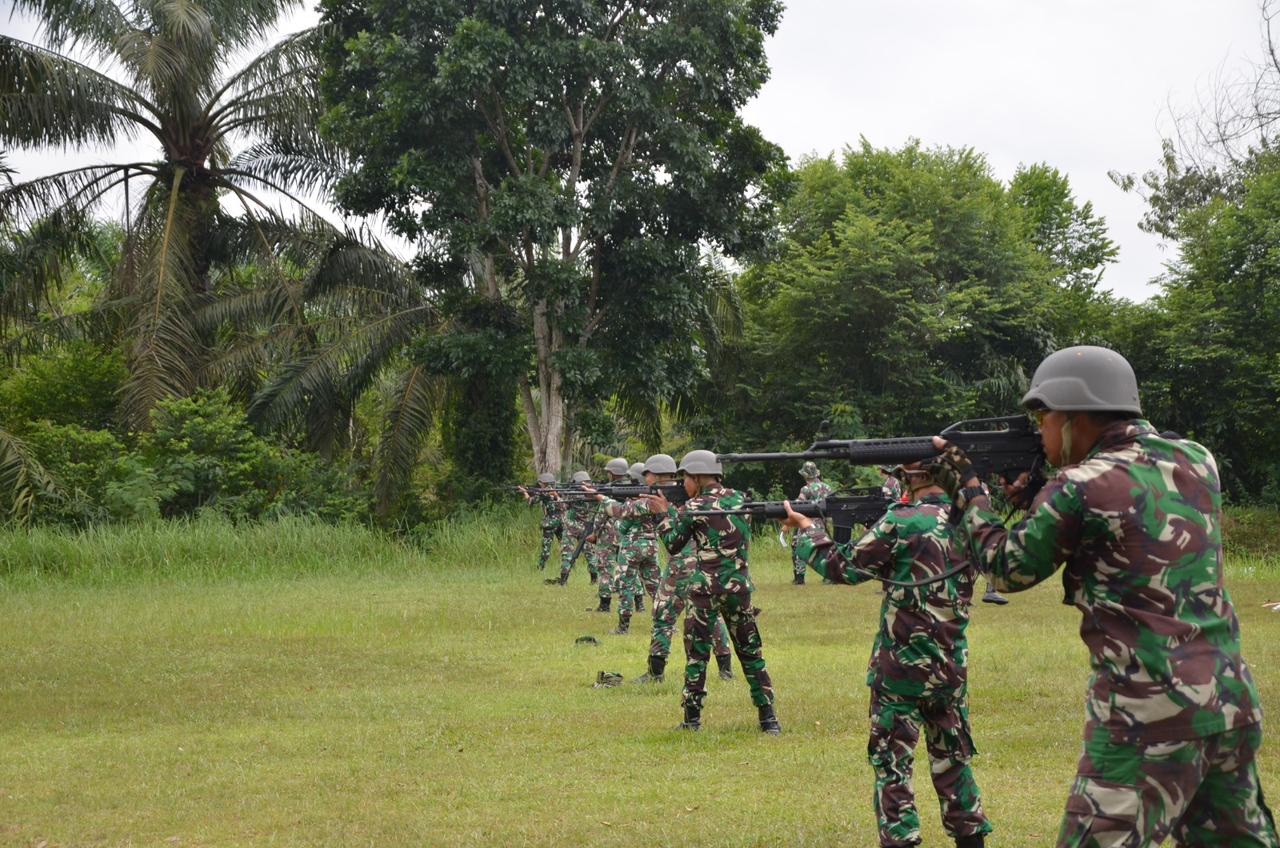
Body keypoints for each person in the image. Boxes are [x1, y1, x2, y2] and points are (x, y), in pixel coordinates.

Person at [929, 345, 1277, 848]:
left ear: (1074, 418)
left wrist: (969, 493)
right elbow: (1126, 518)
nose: (1039, 431)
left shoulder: (1078, 485)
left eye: (1043, 417)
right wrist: (1034, 497)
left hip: (1148, 715)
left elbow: (1008, 570)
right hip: (1226, 702)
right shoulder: (1197, 460)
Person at [782, 465, 993, 848]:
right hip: (949, 668)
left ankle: (901, 839)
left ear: (912, 477)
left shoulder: (903, 521)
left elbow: (842, 566)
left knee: (893, 766)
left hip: (900, 669)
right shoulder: (973, 522)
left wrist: (808, 529)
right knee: (954, 764)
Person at [645, 450, 778, 733]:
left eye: (686, 479)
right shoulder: (742, 499)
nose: (684, 486)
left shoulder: (695, 507)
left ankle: (692, 720)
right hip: (739, 589)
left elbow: (673, 543)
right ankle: (769, 719)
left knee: (697, 655)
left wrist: (662, 515)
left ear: (696, 477)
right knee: (752, 653)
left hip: (705, 590)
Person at [586, 457, 631, 613]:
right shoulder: (635, 488)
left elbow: (601, 514)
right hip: (627, 533)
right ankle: (639, 603)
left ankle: (605, 604)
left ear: (613, 473)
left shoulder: (609, 490)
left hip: (608, 535)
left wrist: (595, 533)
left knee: (606, 569)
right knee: (630, 569)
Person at [545, 470, 596, 586]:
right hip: (586, 528)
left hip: (572, 528)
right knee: (590, 554)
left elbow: (563, 506)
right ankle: (594, 579)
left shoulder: (573, 494)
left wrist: (557, 497)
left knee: (567, 554)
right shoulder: (592, 494)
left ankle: (564, 581)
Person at [791, 460, 834, 585]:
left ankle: (800, 579)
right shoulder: (827, 487)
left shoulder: (806, 489)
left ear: (805, 475)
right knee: (825, 549)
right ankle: (829, 576)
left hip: (808, 523)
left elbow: (798, 506)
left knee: (799, 547)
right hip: (824, 523)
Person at [518, 472, 563, 571]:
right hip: (561, 520)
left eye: (541, 483)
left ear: (543, 483)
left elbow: (531, 500)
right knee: (563, 543)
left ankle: (541, 567)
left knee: (546, 546)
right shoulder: (558, 490)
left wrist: (524, 492)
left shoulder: (545, 492)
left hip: (551, 522)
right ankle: (569, 564)